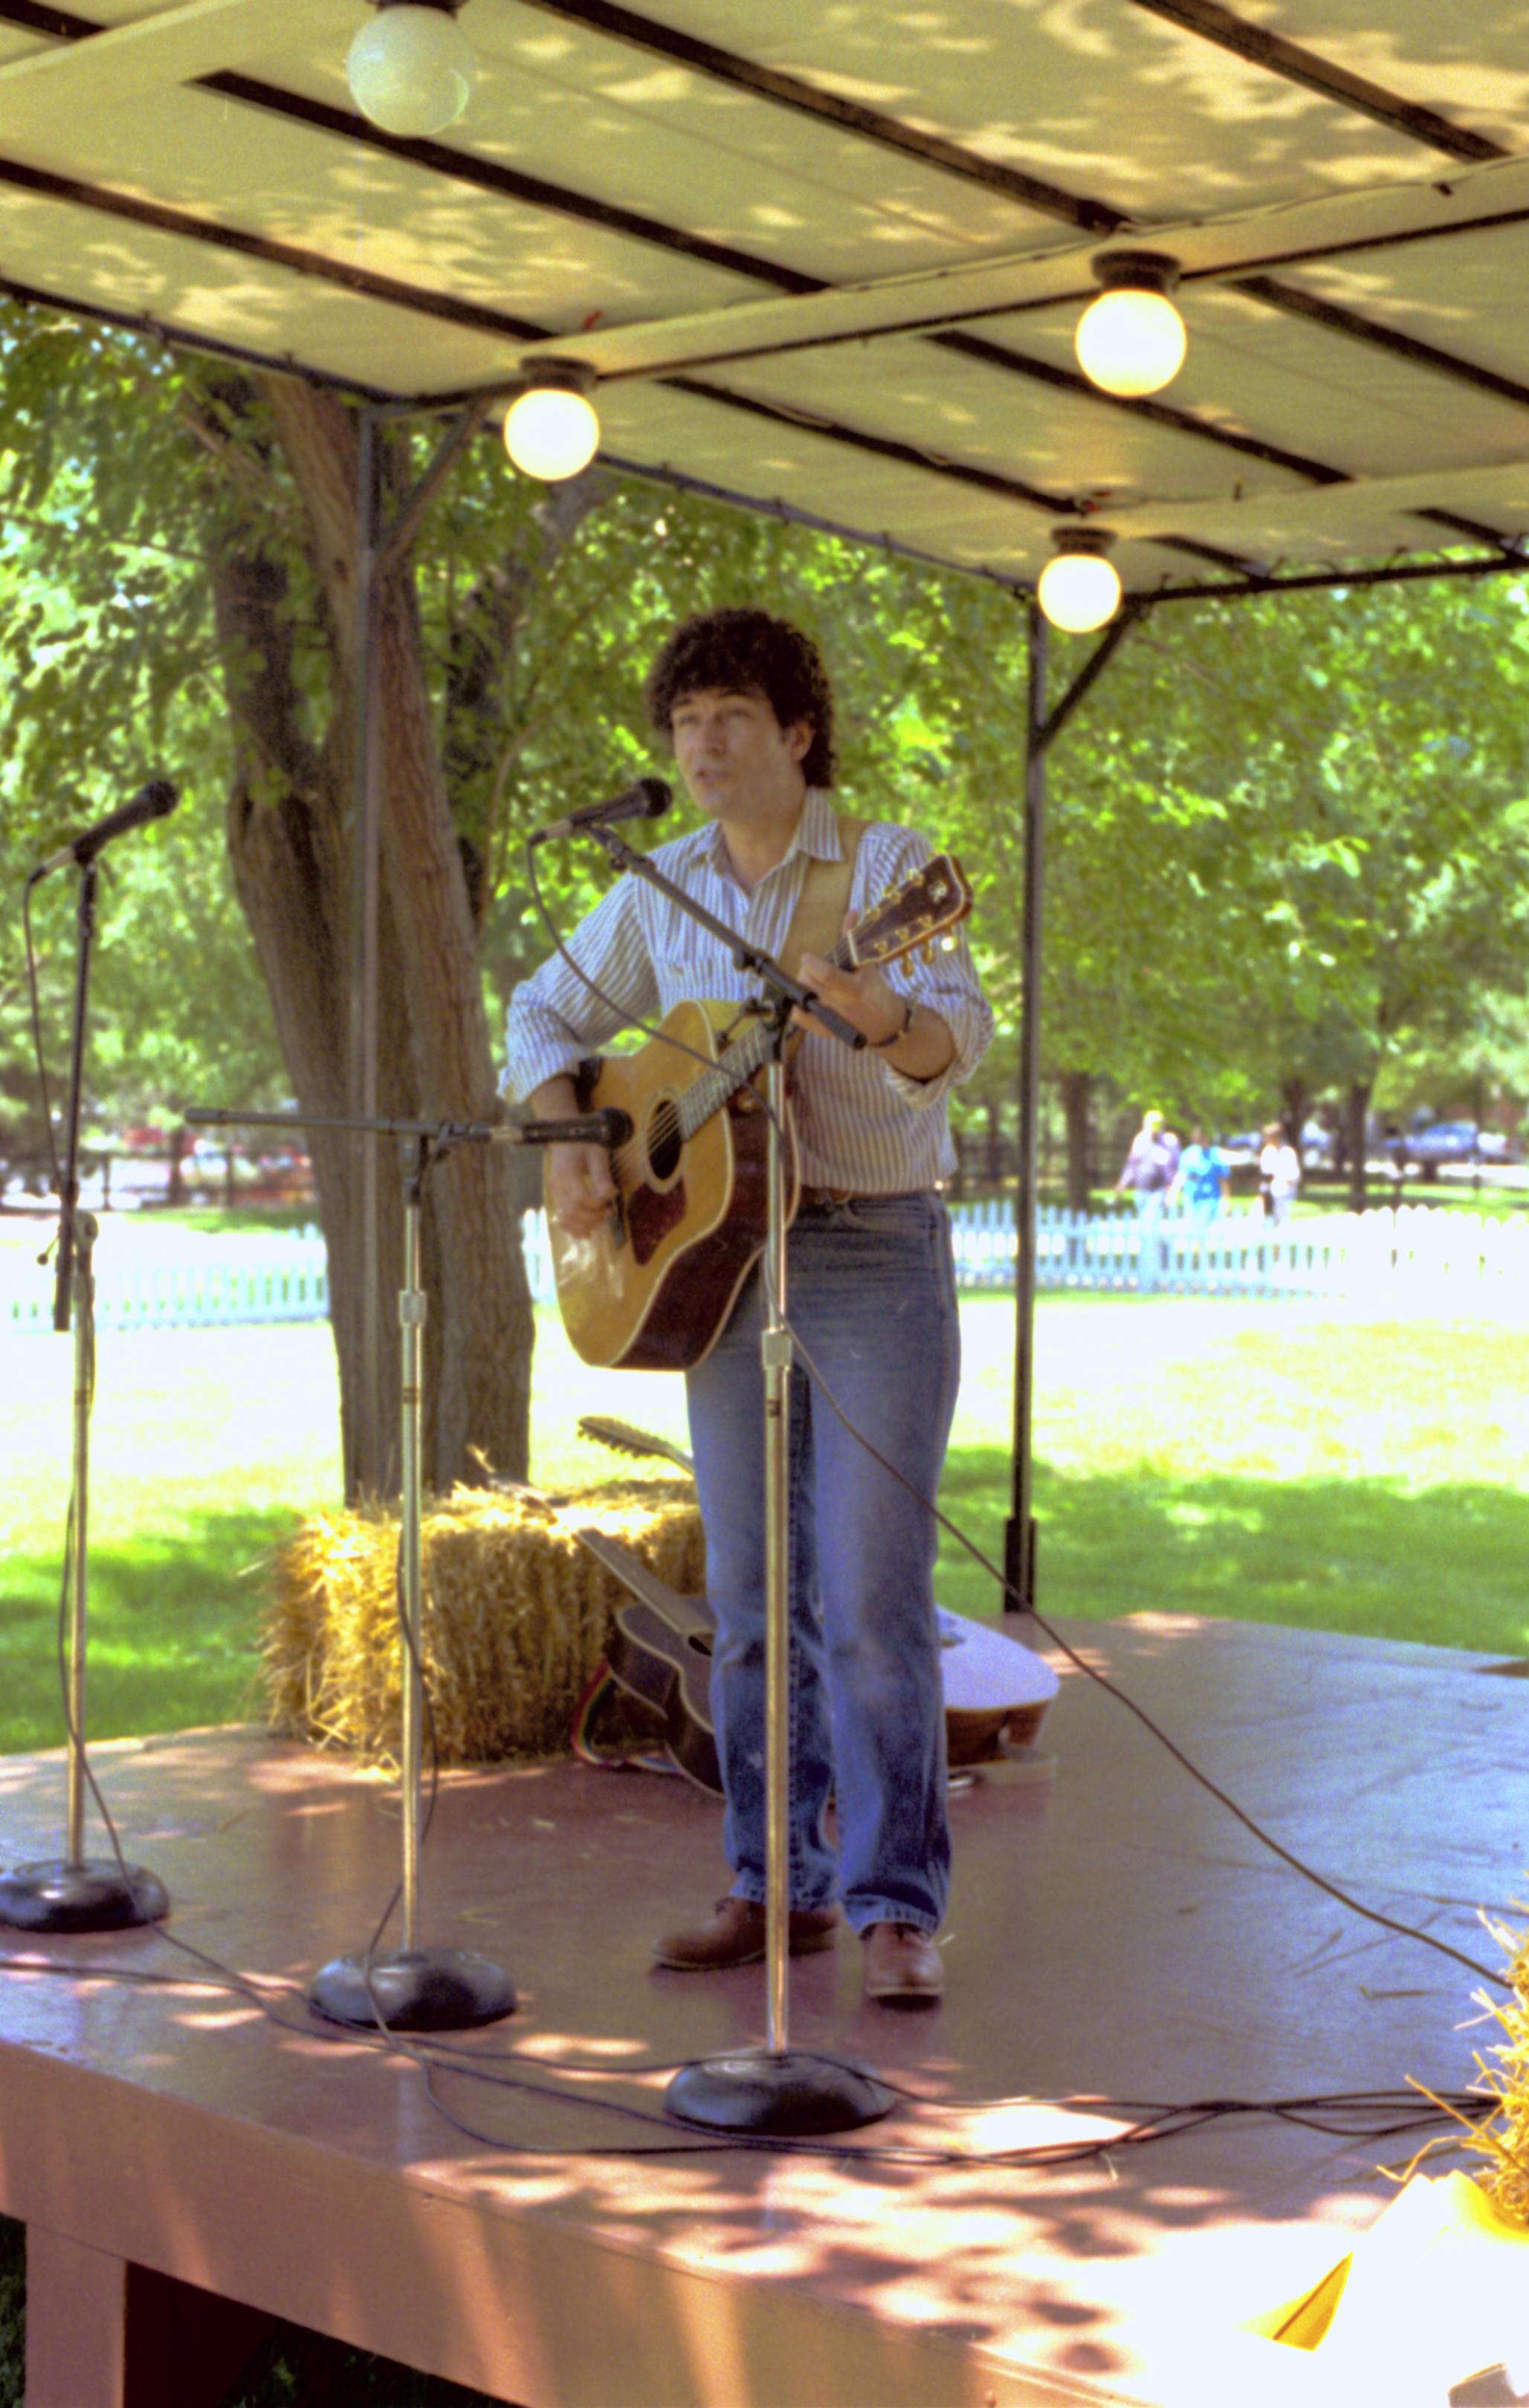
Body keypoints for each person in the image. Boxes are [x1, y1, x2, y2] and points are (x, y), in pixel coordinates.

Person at [504, 607, 992, 2007]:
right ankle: (773, 1883)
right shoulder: (660, 885)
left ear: (795, 731)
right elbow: (543, 1015)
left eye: (728, 716)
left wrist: (874, 1013)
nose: (701, 744)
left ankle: (897, 1902)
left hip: (869, 1253)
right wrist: (576, 1140)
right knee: (752, 1606)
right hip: (718, 1266)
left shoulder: (890, 874)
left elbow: (955, 1033)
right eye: (682, 724)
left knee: (870, 1602)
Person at [1113, 1107, 1180, 1289]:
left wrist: (1172, 1191)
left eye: (1157, 1126)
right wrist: (1122, 1184)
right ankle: (1146, 1270)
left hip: (1157, 1192)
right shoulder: (1140, 1142)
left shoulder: (1168, 1143)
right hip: (1141, 1192)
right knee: (1144, 1233)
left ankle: (1152, 1276)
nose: (1153, 1130)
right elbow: (1131, 1165)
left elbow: (1173, 1170)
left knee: (1151, 1231)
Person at [1172, 1125, 1229, 1233]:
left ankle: (1197, 1248)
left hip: (1209, 1199)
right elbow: (1181, 1175)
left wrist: (1226, 1199)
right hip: (1191, 1198)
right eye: (1196, 1138)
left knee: (1201, 1229)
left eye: (1202, 1138)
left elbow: (1223, 1180)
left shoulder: (1216, 1155)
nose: (1199, 1141)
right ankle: (1196, 1248)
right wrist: (1174, 1192)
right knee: (1191, 1229)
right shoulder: (1188, 1154)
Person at [1258, 1119, 1301, 1226]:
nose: (1266, 1139)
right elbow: (1266, 1173)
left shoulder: (1288, 1152)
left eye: (1268, 1137)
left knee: (1282, 1212)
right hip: (1270, 1188)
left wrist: (1285, 1182)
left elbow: (1294, 1175)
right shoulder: (1267, 1152)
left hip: (1285, 1189)